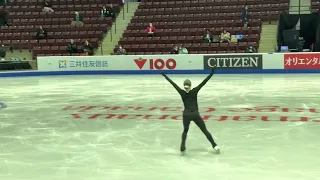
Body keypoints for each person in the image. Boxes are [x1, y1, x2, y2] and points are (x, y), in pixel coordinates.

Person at [161, 69, 220, 154]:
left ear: (184, 85)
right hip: (195, 114)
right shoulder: (194, 91)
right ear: (190, 85)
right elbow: (204, 82)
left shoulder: (181, 92)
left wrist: (165, 76)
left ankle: (182, 145)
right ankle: (214, 145)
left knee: (185, 130)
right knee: (204, 130)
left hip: (186, 114)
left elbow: (173, 84)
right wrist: (211, 73)